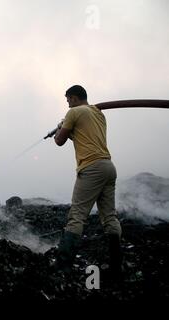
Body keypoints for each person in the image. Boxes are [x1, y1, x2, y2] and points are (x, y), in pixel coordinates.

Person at [53, 85, 122, 276]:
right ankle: (117, 266)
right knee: (109, 217)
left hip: (91, 168)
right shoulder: (99, 114)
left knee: (77, 215)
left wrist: (60, 127)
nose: (67, 104)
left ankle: (63, 267)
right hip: (108, 166)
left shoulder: (74, 112)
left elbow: (59, 141)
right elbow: (83, 133)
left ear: (74, 98)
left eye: (68, 100)